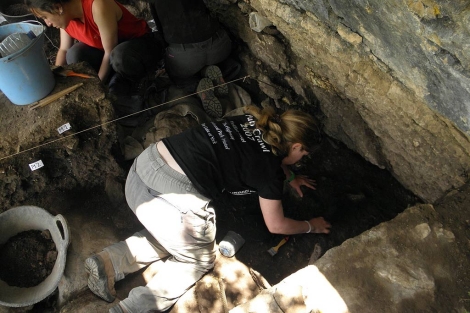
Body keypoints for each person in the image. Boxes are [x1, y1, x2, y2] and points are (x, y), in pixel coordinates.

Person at [84, 105, 332, 313]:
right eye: (303, 154)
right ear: (297, 147)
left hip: (142, 172)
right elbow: (275, 224)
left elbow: (272, 152)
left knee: (179, 235)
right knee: (197, 259)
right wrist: (311, 226)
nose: (301, 159)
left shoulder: (253, 121)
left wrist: (290, 177)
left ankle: (108, 262)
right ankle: (131, 309)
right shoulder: (267, 172)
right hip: (168, 197)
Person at [25, 0, 163, 89]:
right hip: (110, 52)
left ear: (57, 7)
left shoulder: (97, 5)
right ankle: (114, 78)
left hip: (139, 46)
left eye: (45, 17)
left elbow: (110, 51)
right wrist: (55, 78)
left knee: (119, 57)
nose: (47, 24)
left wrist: (98, 86)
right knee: (75, 54)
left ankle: (136, 84)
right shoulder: (66, 18)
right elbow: (64, 49)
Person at [150, 0, 232, 87]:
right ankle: (209, 70)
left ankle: (198, 87)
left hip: (186, 57)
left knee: (177, 76)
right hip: (219, 45)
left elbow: (160, 31)